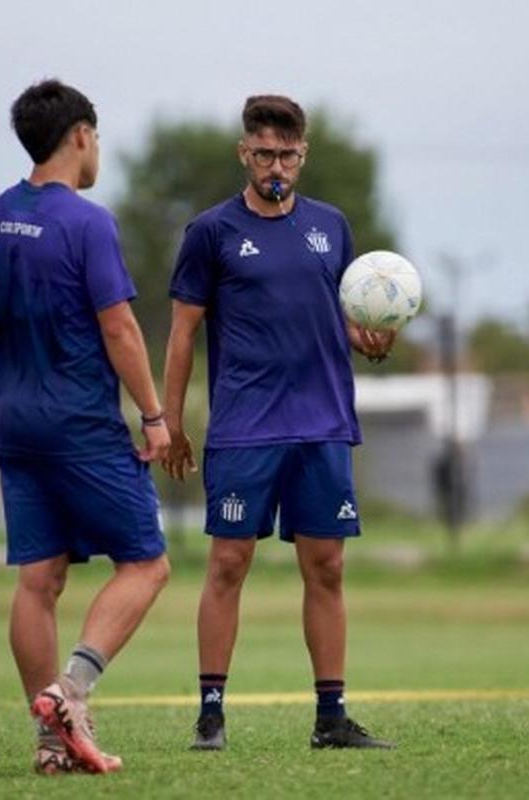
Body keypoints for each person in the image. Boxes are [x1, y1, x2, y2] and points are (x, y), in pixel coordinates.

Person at [162, 94, 396, 751]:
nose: (276, 166)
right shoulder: (211, 232)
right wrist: (171, 422)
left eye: (287, 155)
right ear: (244, 153)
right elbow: (182, 335)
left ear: (303, 156)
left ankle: (332, 717)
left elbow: (339, 317)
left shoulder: (332, 226)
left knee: (327, 568)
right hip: (245, 426)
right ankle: (211, 714)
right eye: (263, 153)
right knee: (229, 563)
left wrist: (368, 338)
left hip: (322, 425)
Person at [0, 79, 171, 776]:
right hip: (81, 424)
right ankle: (70, 693)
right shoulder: (88, 223)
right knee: (147, 563)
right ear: (80, 135)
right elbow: (119, 326)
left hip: (16, 424)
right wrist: (155, 415)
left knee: (38, 580)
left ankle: (52, 746)